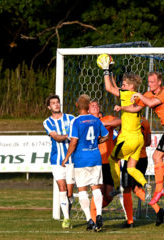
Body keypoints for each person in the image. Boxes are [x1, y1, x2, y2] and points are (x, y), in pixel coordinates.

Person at [120, 72, 164, 211]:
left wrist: (139, 95)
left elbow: (151, 102)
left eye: (152, 82)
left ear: (159, 82)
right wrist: (122, 107)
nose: (150, 84)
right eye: (149, 82)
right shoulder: (148, 93)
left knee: (156, 156)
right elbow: (136, 108)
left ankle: (159, 190)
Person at [98, 62, 148, 195]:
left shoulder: (126, 94)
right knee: (131, 168)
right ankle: (145, 184)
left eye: (124, 84)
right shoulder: (137, 96)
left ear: (131, 86)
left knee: (112, 159)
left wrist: (105, 70)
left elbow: (109, 88)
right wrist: (112, 72)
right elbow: (115, 88)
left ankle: (116, 186)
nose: (122, 86)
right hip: (138, 140)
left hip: (128, 138)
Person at [61, 94, 109, 232]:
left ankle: (89, 219)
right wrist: (97, 142)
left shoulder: (75, 121)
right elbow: (105, 136)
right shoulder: (96, 119)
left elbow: (74, 141)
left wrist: (66, 157)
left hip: (81, 160)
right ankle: (99, 215)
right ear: (88, 106)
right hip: (95, 157)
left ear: (77, 106)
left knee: (82, 190)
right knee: (96, 188)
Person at [121, 115, 164, 227]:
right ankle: (158, 210)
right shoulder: (145, 121)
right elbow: (149, 141)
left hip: (131, 159)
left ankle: (130, 221)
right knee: (136, 188)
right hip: (143, 158)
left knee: (127, 188)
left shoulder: (126, 121)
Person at [43, 94, 75, 229]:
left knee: (69, 192)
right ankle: (66, 219)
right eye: (53, 103)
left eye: (58, 102)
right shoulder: (47, 122)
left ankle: (68, 209)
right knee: (61, 187)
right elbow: (56, 137)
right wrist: (70, 136)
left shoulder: (71, 118)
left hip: (72, 160)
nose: (56, 104)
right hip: (56, 160)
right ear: (49, 107)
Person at [88, 101, 121, 225]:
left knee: (109, 196)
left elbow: (120, 121)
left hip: (109, 163)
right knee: (98, 191)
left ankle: (97, 212)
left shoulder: (107, 119)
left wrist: (105, 123)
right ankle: (93, 219)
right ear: (88, 110)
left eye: (97, 104)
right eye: (92, 105)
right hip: (96, 162)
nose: (96, 106)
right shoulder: (86, 122)